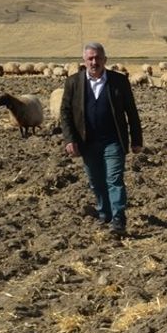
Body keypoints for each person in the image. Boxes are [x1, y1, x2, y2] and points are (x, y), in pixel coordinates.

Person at [60, 42, 143, 237]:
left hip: (113, 140)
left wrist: (136, 139)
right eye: (90, 58)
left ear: (105, 60)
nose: (94, 62)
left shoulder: (119, 81)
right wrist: (69, 139)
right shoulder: (73, 83)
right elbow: (65, 113)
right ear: (84, 61)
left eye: (97, 58)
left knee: (114, 179)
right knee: (96, 181)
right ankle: (104, 212)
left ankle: (118, 219)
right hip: (87, 141)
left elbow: (131, 111)